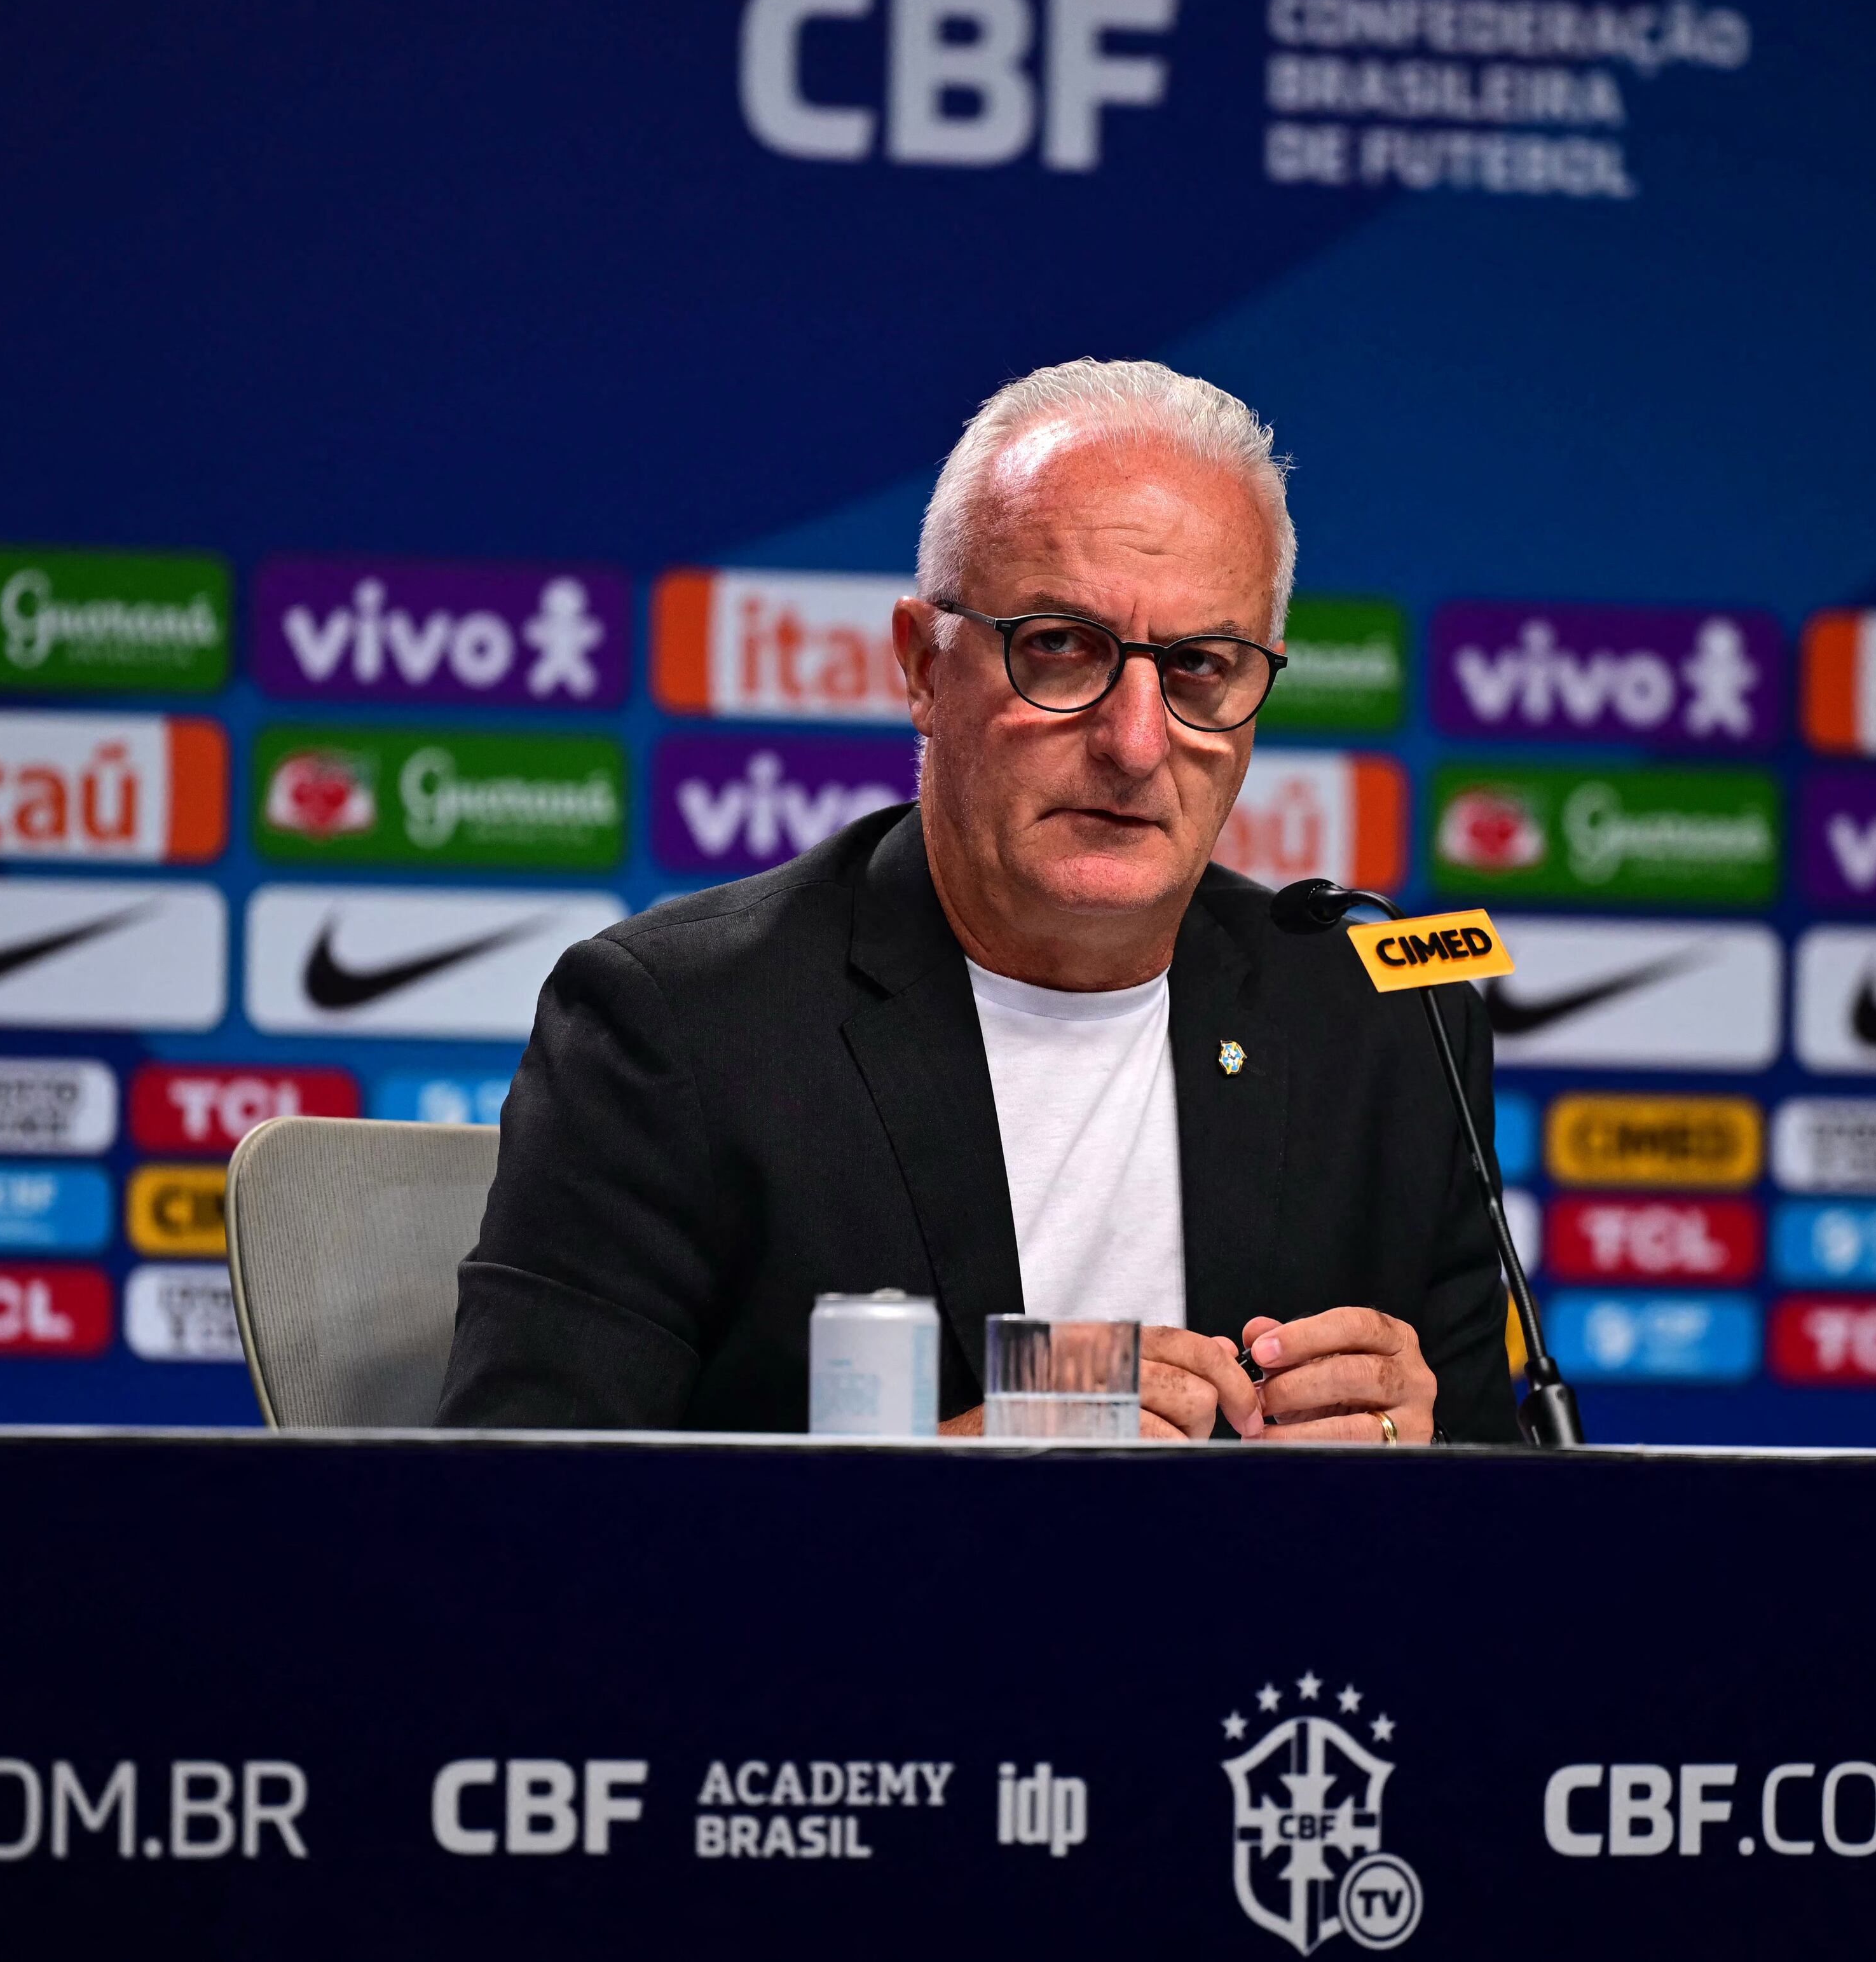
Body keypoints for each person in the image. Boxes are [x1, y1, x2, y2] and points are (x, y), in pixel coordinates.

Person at [439, 359, 1516, 1443]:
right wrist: (940, 1486)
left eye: (1197, 666)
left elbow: (1528, 1550)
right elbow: (517, 1520)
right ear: (922, 667)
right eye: (1060, 646)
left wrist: (1424, 1461)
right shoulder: (680, 1022)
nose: (1136, 744)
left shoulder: (1390, 1028)